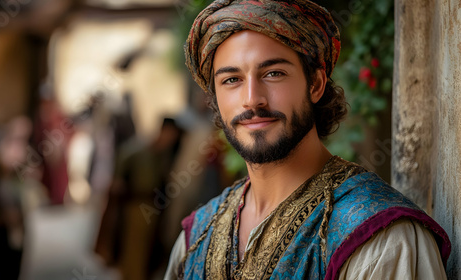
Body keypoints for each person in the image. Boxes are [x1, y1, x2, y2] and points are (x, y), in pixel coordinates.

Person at [164, 0, 451, 279]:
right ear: (215, 97)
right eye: (231, 80)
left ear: (315, 84)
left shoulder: (381, 239)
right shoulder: (196, 237)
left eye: (274, 73)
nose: (252, 99)